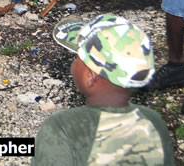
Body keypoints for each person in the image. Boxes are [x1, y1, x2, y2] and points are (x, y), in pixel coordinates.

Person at [35, 14, 175, 165]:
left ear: (90, 76)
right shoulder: (153, 121)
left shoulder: (62, 127)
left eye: (77, 58)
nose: (73, 64)